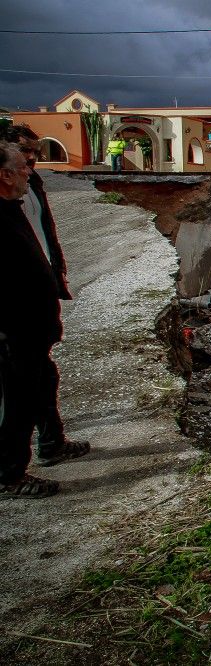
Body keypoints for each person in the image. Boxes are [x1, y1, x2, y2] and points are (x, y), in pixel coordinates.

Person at [4, 125, 90, 468]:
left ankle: (52, 441)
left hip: (36, 304)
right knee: (18, 393)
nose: (32, 161)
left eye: (36, 153)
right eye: (26, 153)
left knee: (42, 378)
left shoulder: (30, 187)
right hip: (15, 315)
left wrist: (55, 272)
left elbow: (42, 234)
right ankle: (10, 471)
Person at [0, 142, 64, 497]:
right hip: (15, 332)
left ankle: (52, 444)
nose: (30, 171)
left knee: (41, 386)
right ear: (5, 175)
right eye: (23, 166)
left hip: (33, 329)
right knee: (16, 403)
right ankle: (9, 475)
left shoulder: (13, 208)